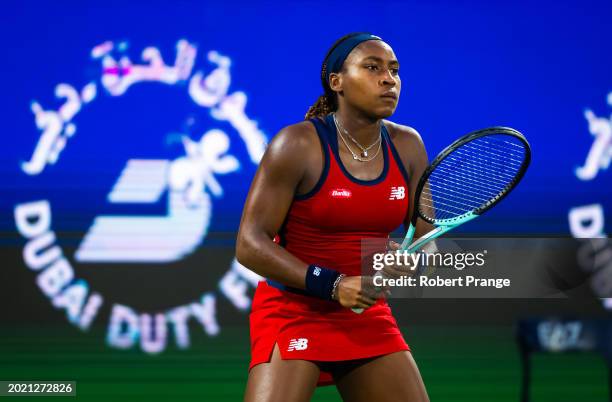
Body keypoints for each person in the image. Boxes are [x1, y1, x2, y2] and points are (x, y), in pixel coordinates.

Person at [236, 32, 431, 402]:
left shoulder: (408, 146)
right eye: (372, 68)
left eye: (394, 70)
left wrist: (413, 258)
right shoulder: (297, 144)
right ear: (336, 82)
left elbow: (428, 237)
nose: (389, 79)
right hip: (294, 309)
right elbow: (249, 245)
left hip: (364, 311)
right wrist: (334, 284)